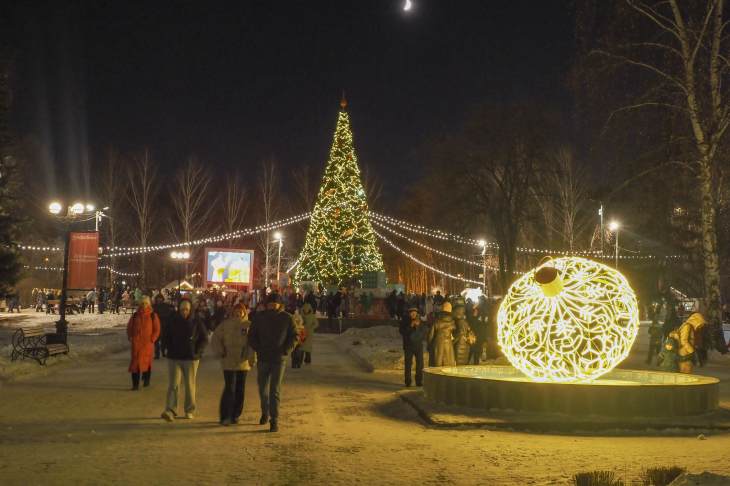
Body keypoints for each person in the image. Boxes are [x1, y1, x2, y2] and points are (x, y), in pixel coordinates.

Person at [247, 293, 297, 432]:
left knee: (274, 390)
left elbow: (294, 336)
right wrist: (258, 348)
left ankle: (274, 419)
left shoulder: (287, 318)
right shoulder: (259, 318)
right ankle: (265, 411)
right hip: (263, 358)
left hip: (278, 359)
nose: (272, 306)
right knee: (262, 389)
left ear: (280, 304)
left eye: (275, 303)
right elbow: (251, 336)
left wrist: (286, 350)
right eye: (270, 303)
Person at [161, 299, 209, 421]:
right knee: (173, 385)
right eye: (182, 309)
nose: (184, 312)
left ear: (190, 309)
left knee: (190, 385)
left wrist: (198, 351)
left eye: (186, 309)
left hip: (190, 358)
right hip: (174, 357)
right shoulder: (173, 320)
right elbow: (165, 335)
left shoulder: (196, 321)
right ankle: (170, 409)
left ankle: (189, 409)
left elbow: (204, 338)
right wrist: (165, 348)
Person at [211, 304, 255, 426]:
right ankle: (225, 415)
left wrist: (251, 357)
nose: (238, 314)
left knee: (240, 389)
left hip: (243, 362)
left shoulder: (248, 325)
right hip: (228, 361)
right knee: (230, 388)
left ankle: (235, 414)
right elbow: (216, 338)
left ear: (244, 313)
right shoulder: (225, 325)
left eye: (240, 312)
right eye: (236, 312)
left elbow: (253, 343)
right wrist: (220, 351)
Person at [126, 296, 161, 390]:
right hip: (136, 343)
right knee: (135, 364)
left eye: (146, 303)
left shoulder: (153, 315)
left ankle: (146, 379)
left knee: (146, 362)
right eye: (142, 303)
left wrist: (152, 339)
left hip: (147, 344)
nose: (144, 305)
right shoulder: (135, 315)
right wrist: (130, 336)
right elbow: (130, 327)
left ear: (149, 304)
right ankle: (135, 385)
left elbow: (157, 329)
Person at [400, 306, 428, 386]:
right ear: (409, 314)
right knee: (408, 364)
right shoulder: (405, 322)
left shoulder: (421, 322)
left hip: (418, 346)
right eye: (411, 313)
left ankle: (419, 381)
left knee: (420, 364)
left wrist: (418, 326)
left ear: (417, 313)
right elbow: (402, 332)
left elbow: (425, 332)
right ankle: (408, 381)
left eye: (415, 313)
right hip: (408, 346)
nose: (413, 314)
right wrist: (410, 326)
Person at [428, 301, 456, 366]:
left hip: (437, 345)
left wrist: (429, 346)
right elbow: (455, 336)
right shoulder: (453, 323)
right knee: (447, 368)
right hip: (449, 346)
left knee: (437, 367)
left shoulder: (436, 321)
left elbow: (430, 336)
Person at [452, 301, 474, 365]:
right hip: (466, 345)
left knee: (459, 363)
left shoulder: (458, 322)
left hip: (459, 346)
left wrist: (452, 342)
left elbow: (458, 334)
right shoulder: (465, 322)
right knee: (463, 363)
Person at [153, 294, 174, 359]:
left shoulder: (166, 306)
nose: (159, 300)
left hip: (164, 325)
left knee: (164, 340)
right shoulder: (154, 306)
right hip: (156, 325)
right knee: (156, 340)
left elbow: (169, 313)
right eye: (158, 298)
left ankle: (163, 352)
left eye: (160, 298)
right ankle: (157, 354)